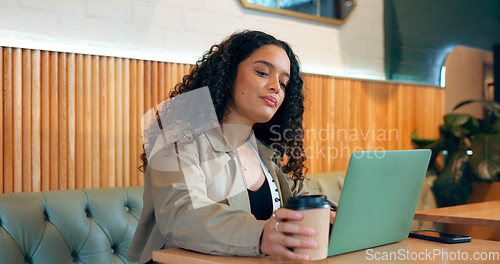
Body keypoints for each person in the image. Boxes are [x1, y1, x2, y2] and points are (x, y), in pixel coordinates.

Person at [128, 30, 335, 264]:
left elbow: (300, 199)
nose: (276, 87)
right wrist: (259, 235)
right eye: (262, 72)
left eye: (283, 83)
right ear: (228, 74)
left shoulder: (265, 152)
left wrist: (329, 214)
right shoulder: (176, 137)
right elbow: (182, 213)